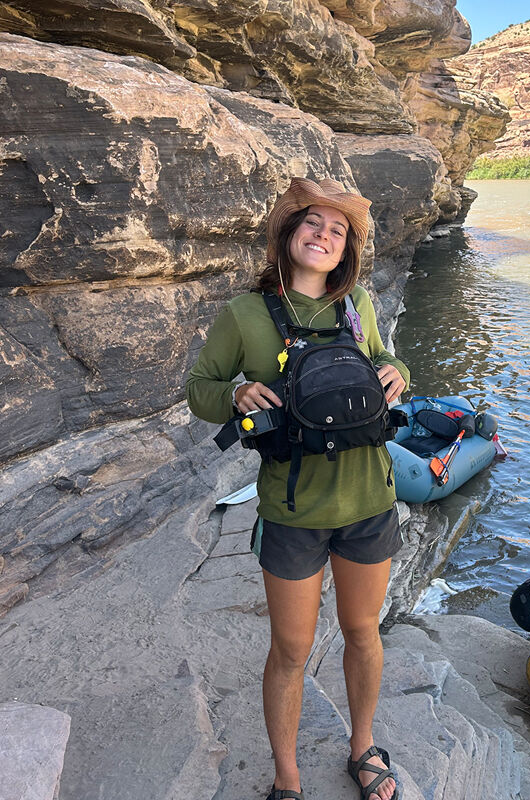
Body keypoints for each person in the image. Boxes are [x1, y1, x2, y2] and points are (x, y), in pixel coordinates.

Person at [186, 177, 409, 800]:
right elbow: (200, 386)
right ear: (287, 236)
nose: (324, 235)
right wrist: (233, 393)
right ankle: (288, 777)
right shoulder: (245, 315)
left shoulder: (356, 304)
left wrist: (398, 370)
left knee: (364, 633)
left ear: (347, 253)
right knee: (291, 649)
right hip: (292, 510)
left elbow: (386, 358)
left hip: (370, 501)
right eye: (313, 223)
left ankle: (362, 749)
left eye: (337, 231)